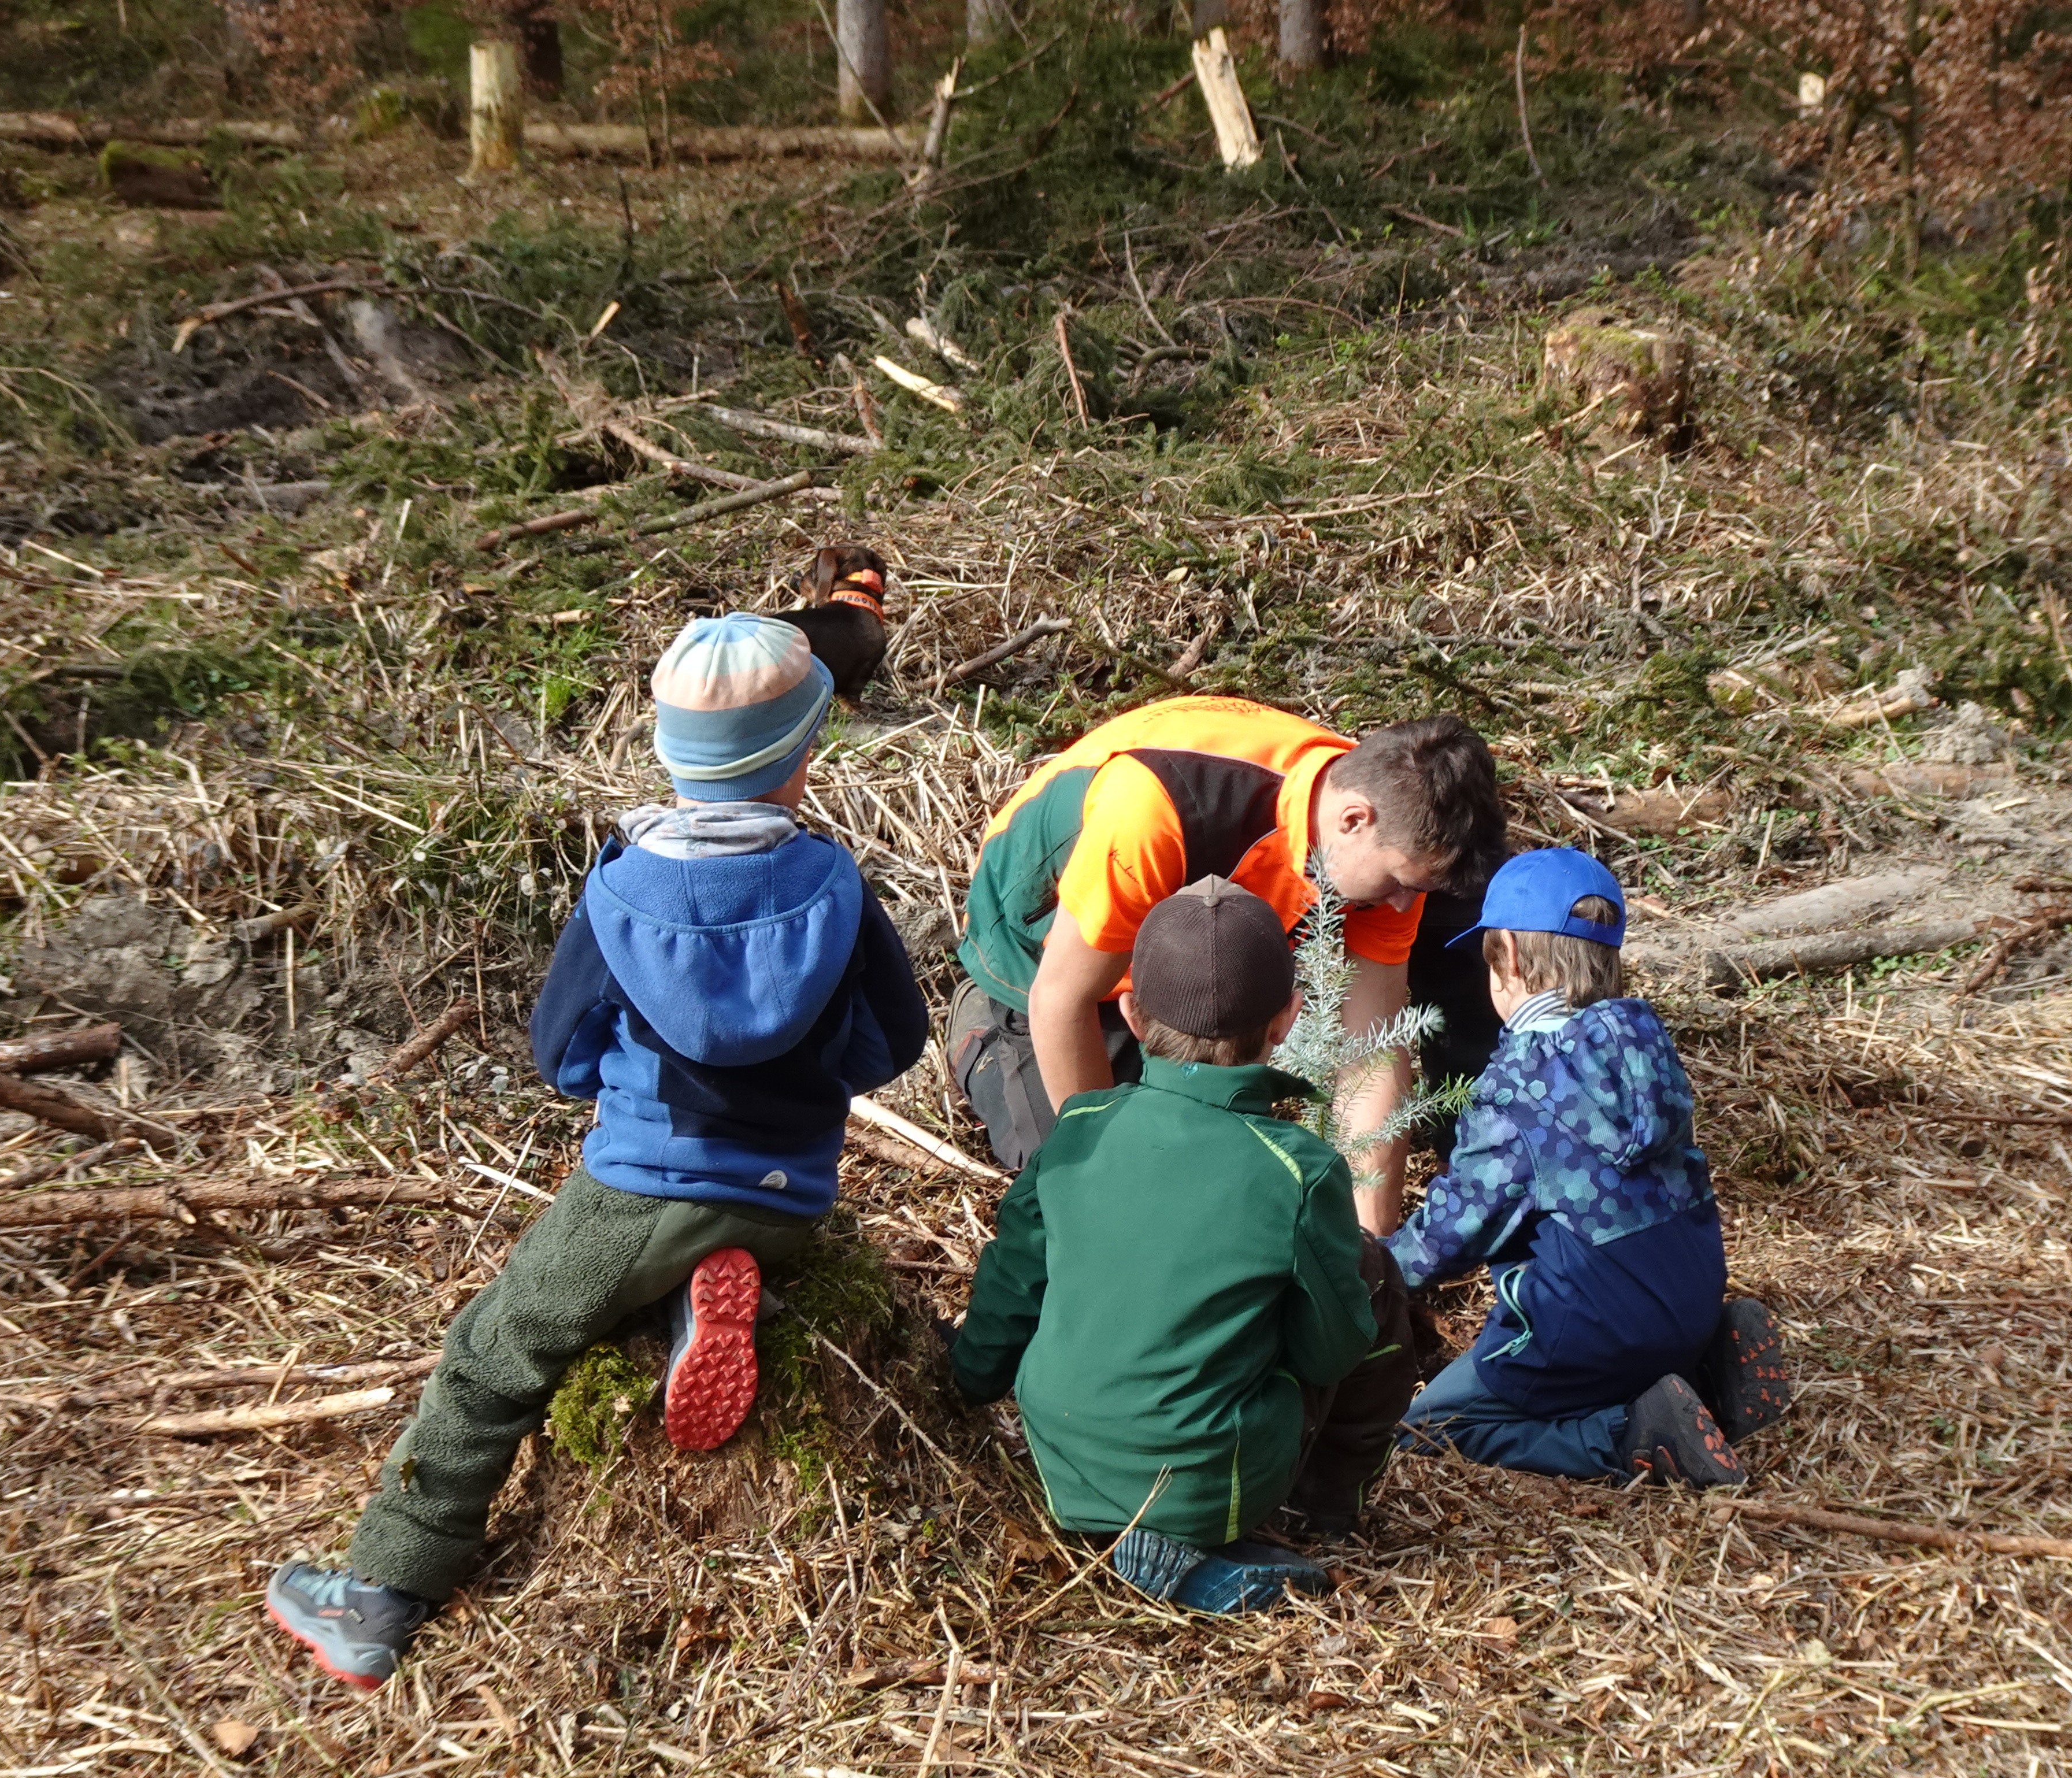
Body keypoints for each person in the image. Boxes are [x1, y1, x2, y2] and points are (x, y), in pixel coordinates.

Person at [264, 613, 929, 1689]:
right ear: (806, 754)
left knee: (493, 1352)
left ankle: (382, 1589)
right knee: (674, 1257)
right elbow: (892, 1042)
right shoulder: (835, 886)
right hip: (792, 1194)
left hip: (640, 1188)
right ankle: (699, 1305)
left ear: (667, 754)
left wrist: (615, 1083)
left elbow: (559, 1051)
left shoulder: (623, 889)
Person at [948, 877, 1420, 1611]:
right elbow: (1332, 1352)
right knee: (1374, 1277)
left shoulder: (1078, 1129)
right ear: (1288, 1019)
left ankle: (1117, 1529)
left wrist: (963, 1386)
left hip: (1062, 1462)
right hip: (1209, 1482)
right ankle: (1322, 1513)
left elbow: (1010, 1292)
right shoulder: (1297, 1167)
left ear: (1131, 1013)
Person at [945, 697, 1504, 1235]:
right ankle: (981, 1031)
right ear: (1354, 819)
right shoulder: (1160, 810)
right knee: (1085, 1187)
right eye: (1403, 883)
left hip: (1189, 971)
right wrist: (1113, 1173)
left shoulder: (1384, 833)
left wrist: (1370, 1244)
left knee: (1216, 1174)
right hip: (1040, 963)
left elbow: (1373, 1050)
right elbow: (1059, 999)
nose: (1407, 905)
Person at [1389, 847, 1793, 1488]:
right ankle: (1708, 1371)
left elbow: (1456, 1226)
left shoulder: (1520, 1084)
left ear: (1509, 962)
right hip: (1690, 1289)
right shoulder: (1646, 1045)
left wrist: (1371, 1267)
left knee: (1429, 1428)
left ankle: (1631, 1436)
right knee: (1634, 1334)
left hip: (1595, 1322)